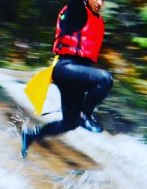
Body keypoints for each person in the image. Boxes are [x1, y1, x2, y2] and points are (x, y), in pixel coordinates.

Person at [21, 0, 113, 159]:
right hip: (66, 69)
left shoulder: (96, 18)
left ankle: (31, 135)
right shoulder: (78, 12)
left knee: (71, 123)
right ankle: (86, 115)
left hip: (77, 75)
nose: (99, 2)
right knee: (105, 79)